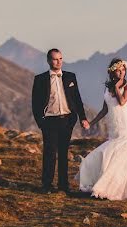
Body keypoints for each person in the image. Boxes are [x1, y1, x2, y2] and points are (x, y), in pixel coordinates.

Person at [76, 58, 127, 200]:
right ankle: (100, 184)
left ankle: (109, 188)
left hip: (125, 127)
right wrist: (91, 123)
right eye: (118, 70)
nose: (121, 73)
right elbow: (104, 109)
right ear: (112, 72)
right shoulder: (107, 88)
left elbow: (122, 101)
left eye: (123, 69)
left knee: (120, 158)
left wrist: (118, 87)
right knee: (104, 155)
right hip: (113, 128)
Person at [31, 49, 90, 193]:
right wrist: (41, 122)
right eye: (55, 59)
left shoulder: (70, 77)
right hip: (49, 121)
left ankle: (63, 186)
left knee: (64, 154)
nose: (59, 62)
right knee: (50, 153)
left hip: (67, 120)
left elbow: (77, 99)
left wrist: (82, 118)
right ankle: (47, 185)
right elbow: (35, 103)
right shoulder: (40, 79)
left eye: (61, 58)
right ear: (48, 61)